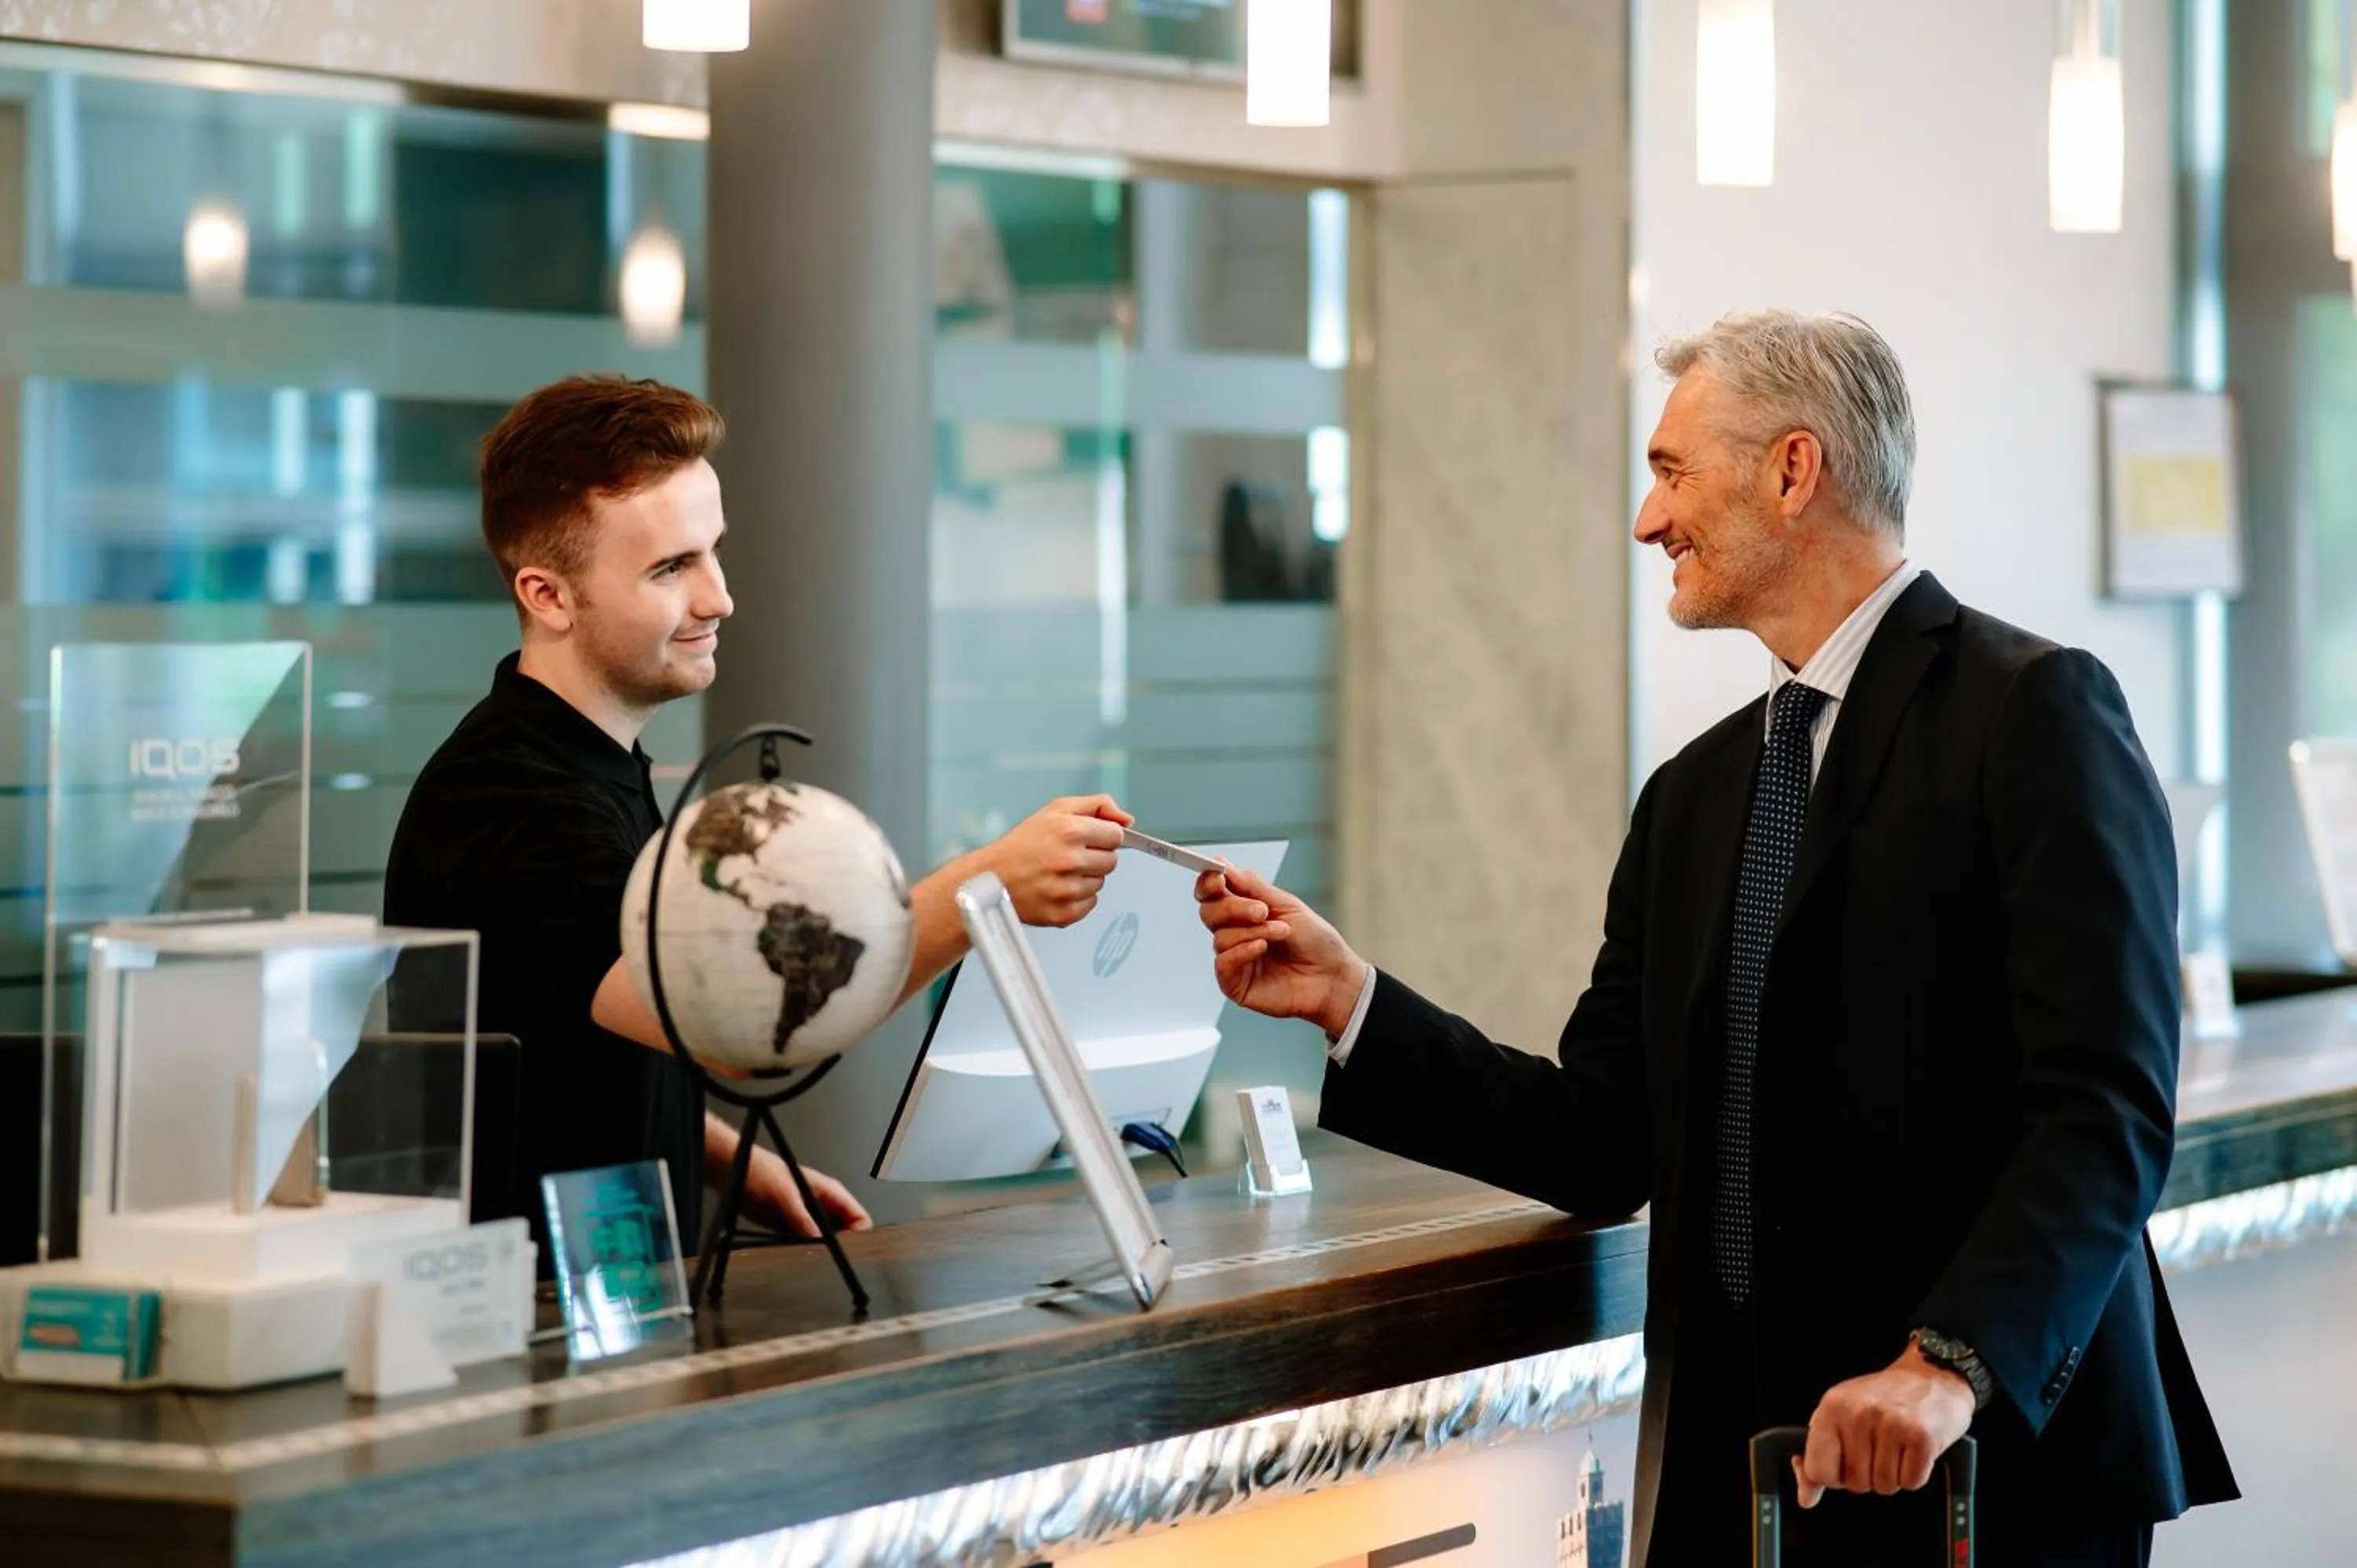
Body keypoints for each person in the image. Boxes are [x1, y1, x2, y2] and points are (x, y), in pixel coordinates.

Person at [1194, 311, 2236, 1565]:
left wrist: (1948, 1365)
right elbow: (1601, 1139)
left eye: (1671, 473)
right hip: (1742, 1474)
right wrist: (1353, 1001)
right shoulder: (1691, 796)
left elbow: (2104, 1111)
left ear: (1794, 472)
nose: (1650, 521)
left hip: (1982, 1468)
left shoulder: (2034, 713)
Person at [385, 374, 1134, 1266]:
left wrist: (726, 1160)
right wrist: (983, 889)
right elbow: (735, 1024)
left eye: (713, 552)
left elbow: (578, 1017)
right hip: (529, 1323)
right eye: (671, 568)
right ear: (548, 596)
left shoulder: (583, 763)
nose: (719, 598)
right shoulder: (512, 801)